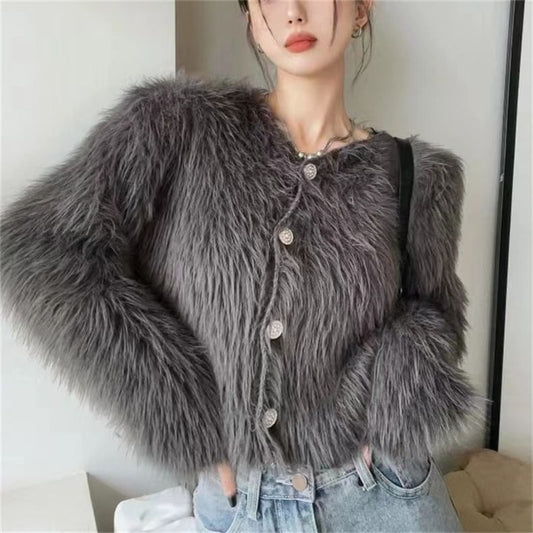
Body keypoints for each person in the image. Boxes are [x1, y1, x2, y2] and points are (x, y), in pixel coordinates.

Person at [0, 0, 488, 531]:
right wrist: (185, 415)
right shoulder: (175, 126)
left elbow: (435, 316)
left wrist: (396, 399)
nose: (294, 12)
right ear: (252, 22)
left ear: (361, 9)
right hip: (243, 505)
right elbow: (44, 249)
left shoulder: (420, 174)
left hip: (385, 496)